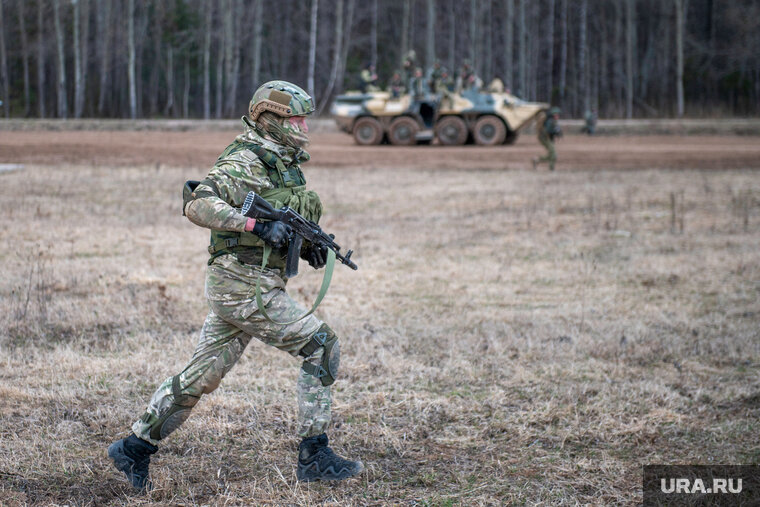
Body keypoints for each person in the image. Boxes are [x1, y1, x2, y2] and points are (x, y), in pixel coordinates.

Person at [107, 80, 363, 490]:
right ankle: (314, 455)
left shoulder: (283, 161)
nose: (304, 126)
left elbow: (284, 219)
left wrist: (306, 248)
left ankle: (133, 449)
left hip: (248, 284)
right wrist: (255, 225)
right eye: (296, 118)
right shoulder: (244, 160)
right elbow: (197, 203)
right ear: (271, 119)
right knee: (322, 347)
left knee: (200, 377)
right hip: (242, 287)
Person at [532, 106, 562, 171]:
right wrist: (556, 132)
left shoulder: (553, 121)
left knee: (552, 154)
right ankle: (550, 168)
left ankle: (537, 160)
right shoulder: (550, 121)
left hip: (548, 138)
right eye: (557, 114)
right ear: (554, 114)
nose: (558, 116)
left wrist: (558, 132)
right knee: (553, 154)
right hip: (545, 138)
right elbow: (549, 131)